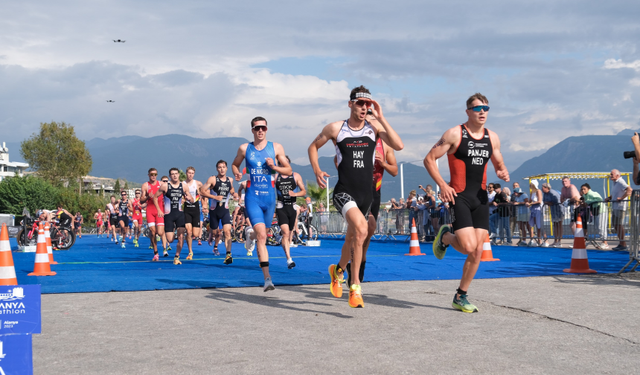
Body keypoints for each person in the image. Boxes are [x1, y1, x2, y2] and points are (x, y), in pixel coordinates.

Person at [309, 85, 403, 308]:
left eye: (367, 105)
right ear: (350, 104)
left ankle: (338, 270)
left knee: (353, 237)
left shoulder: (374, 128)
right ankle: (355, 286)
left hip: (366, 196)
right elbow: (313, 147)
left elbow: (398, 145)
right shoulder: (336, 129)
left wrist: (381, 117)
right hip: (344, 192)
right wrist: (316, 169)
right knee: (362, 230)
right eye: (360, 103)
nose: (364, 108)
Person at [425, 93, 509, 313]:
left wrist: (501, 170)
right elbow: (429, 159)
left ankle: (460, 296)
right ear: (468, 111)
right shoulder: (455, 134)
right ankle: (445, 236)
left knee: (477, 251)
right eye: (477, 108)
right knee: (468, 246)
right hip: (459, 196)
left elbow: (498, 160)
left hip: (480, 198)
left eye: (486, 108)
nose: (482, 112)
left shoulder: (493, 137)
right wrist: (443, 185)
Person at [232, 116, 292, 292]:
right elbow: (235, 165)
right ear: (252, 130)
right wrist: (236, 173)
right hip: (253, 198)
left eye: (263, 128)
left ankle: (249, 236)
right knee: (263, 237)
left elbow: (288, 170)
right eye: (257, 128)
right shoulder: (245, 148)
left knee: (261, 235)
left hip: (269, 198)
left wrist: (274, 167)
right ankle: (267, 279)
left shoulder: (276, 147)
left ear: (266, 130)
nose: (260, 131)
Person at [345, 123, 398, 287]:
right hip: (358, 190)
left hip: (375, 191)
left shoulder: (386, 145)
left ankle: (356, 263)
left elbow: (395, 170)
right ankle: (355, 275)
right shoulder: (356, 140)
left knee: (366, 232)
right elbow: (337, 159)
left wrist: (383, 164)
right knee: (366, 227)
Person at [200, 160, 238, 264]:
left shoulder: (230, 180)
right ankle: (210, 234)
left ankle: (228, 255)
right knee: (215, 232)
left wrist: (234, 194)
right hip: (214, 210)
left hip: (225, 210)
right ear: (217, 169)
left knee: (226, 232)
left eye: (224, 167)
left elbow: (231, 189)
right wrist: (214, 197)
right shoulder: (213, 179)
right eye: (220, 167)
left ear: (226, 168)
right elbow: (202, 191)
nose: (222, 169)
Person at [275, 155, 307, 269]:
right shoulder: (276, 176)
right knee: (285, 233)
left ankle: (287, 252)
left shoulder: (296, 176)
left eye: (286, 162)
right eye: (280, 163)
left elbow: (303, 191)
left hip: (292, 208)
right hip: (281, 207)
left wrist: (295, 194)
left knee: (288, 234)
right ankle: (289, 259)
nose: (283, 164)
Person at [157, 168, 194, 265]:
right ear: (170, 176)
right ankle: (171, 236)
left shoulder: (183, 186)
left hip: (179, 214)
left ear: (178, 175)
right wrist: (159, 209)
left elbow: (191, 198)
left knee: (181, 237)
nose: (175, 175)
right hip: (169, 215)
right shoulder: (165, 186)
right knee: (170, 239)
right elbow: (154, 197)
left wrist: (190, 199)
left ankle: (177, 257)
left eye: (176, 174)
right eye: (172, 174)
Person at [140, 168, 166, 261]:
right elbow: (141, 200)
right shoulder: (145, 185)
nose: (153, 176)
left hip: (159, 210)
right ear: (148, 175)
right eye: (151, 174)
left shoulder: (161, 184)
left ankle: (164, 247)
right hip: (150, 210)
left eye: (155, 174)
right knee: (152, 231)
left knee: (160, 232)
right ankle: (156, 253)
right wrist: (147, 197)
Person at [605, 169, 632, 251]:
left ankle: (623, 243)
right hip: (615, 206)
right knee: (615, 224)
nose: (610, 175)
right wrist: (609, 198)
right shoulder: (615, 183)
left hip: (620, 207)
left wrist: (621, 198)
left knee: (619, 224)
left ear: (617, 175)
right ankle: (621, 242)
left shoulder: (620, 181)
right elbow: (616, 193)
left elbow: (629, 190)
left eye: (612, 174)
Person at [183, 166, 203, 260]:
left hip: (195, 209)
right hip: (187, 209)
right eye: (189, 173)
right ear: (186, 173)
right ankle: (190, 251)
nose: (190, 175)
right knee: (189, 231)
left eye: (192, 173)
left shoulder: (198, 183)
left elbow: (203, 194)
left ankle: (191, 247)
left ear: (194, 174)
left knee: (195, 233)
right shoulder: (182, 184)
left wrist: (205, 205)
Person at [581, 183, 608, 249]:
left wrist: (588, 201)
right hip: (595, 212)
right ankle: (603, 242)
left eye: (584, 189)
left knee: (601, 226)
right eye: (582, 189)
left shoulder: (592, 193)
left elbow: (599, 199)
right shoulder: (585, 196)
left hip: (601, 211)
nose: (583, 190)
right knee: (597, 226)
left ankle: (605, 243)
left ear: (588, 189)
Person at [541, 182, 563, 247]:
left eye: (543, 188)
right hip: (553, 210)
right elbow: (544, 201)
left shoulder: (552, 193)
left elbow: (558, 201)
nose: (542, 189)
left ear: (547, 188)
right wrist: (548, 203)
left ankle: (559, 240)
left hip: (559, 209)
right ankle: (555, 240)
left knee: (559, 224)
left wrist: (549, 203)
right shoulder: (545, 194)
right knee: (555, 224)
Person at [526, 180, 547, 247]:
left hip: (538, 209)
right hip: (533, 210)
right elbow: (530, 200)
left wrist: (531, 203)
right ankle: (538, 240)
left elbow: (539, 201)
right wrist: (527, 203)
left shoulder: (538, 191)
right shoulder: (532, 192)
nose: (530, 185)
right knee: (532, 225)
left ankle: (544, 240)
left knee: (539, 225)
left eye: (531, 184)